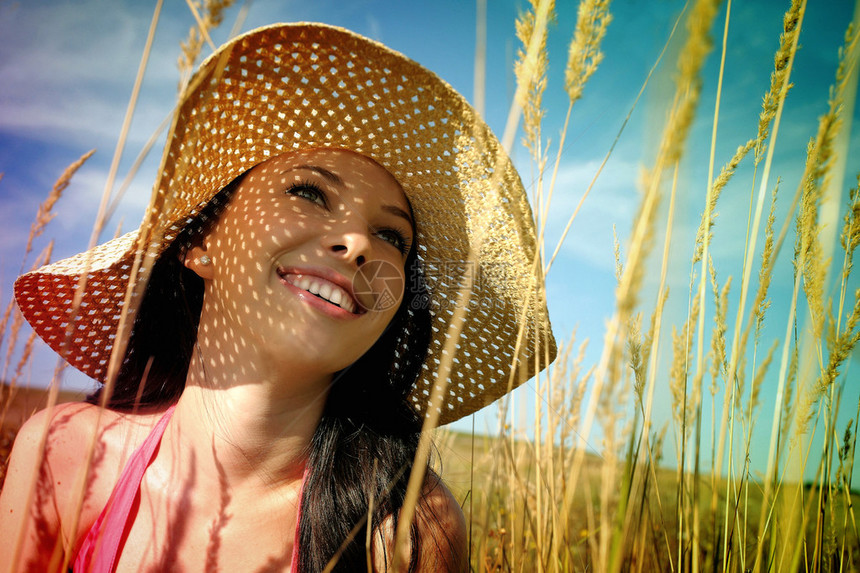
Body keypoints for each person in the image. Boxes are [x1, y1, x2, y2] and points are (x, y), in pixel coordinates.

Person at [0, 23, 555, 572]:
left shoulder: (404, 533)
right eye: (309, 192)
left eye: (392, 237)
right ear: (200, 243)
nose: (359, 242)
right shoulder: (67, 454)